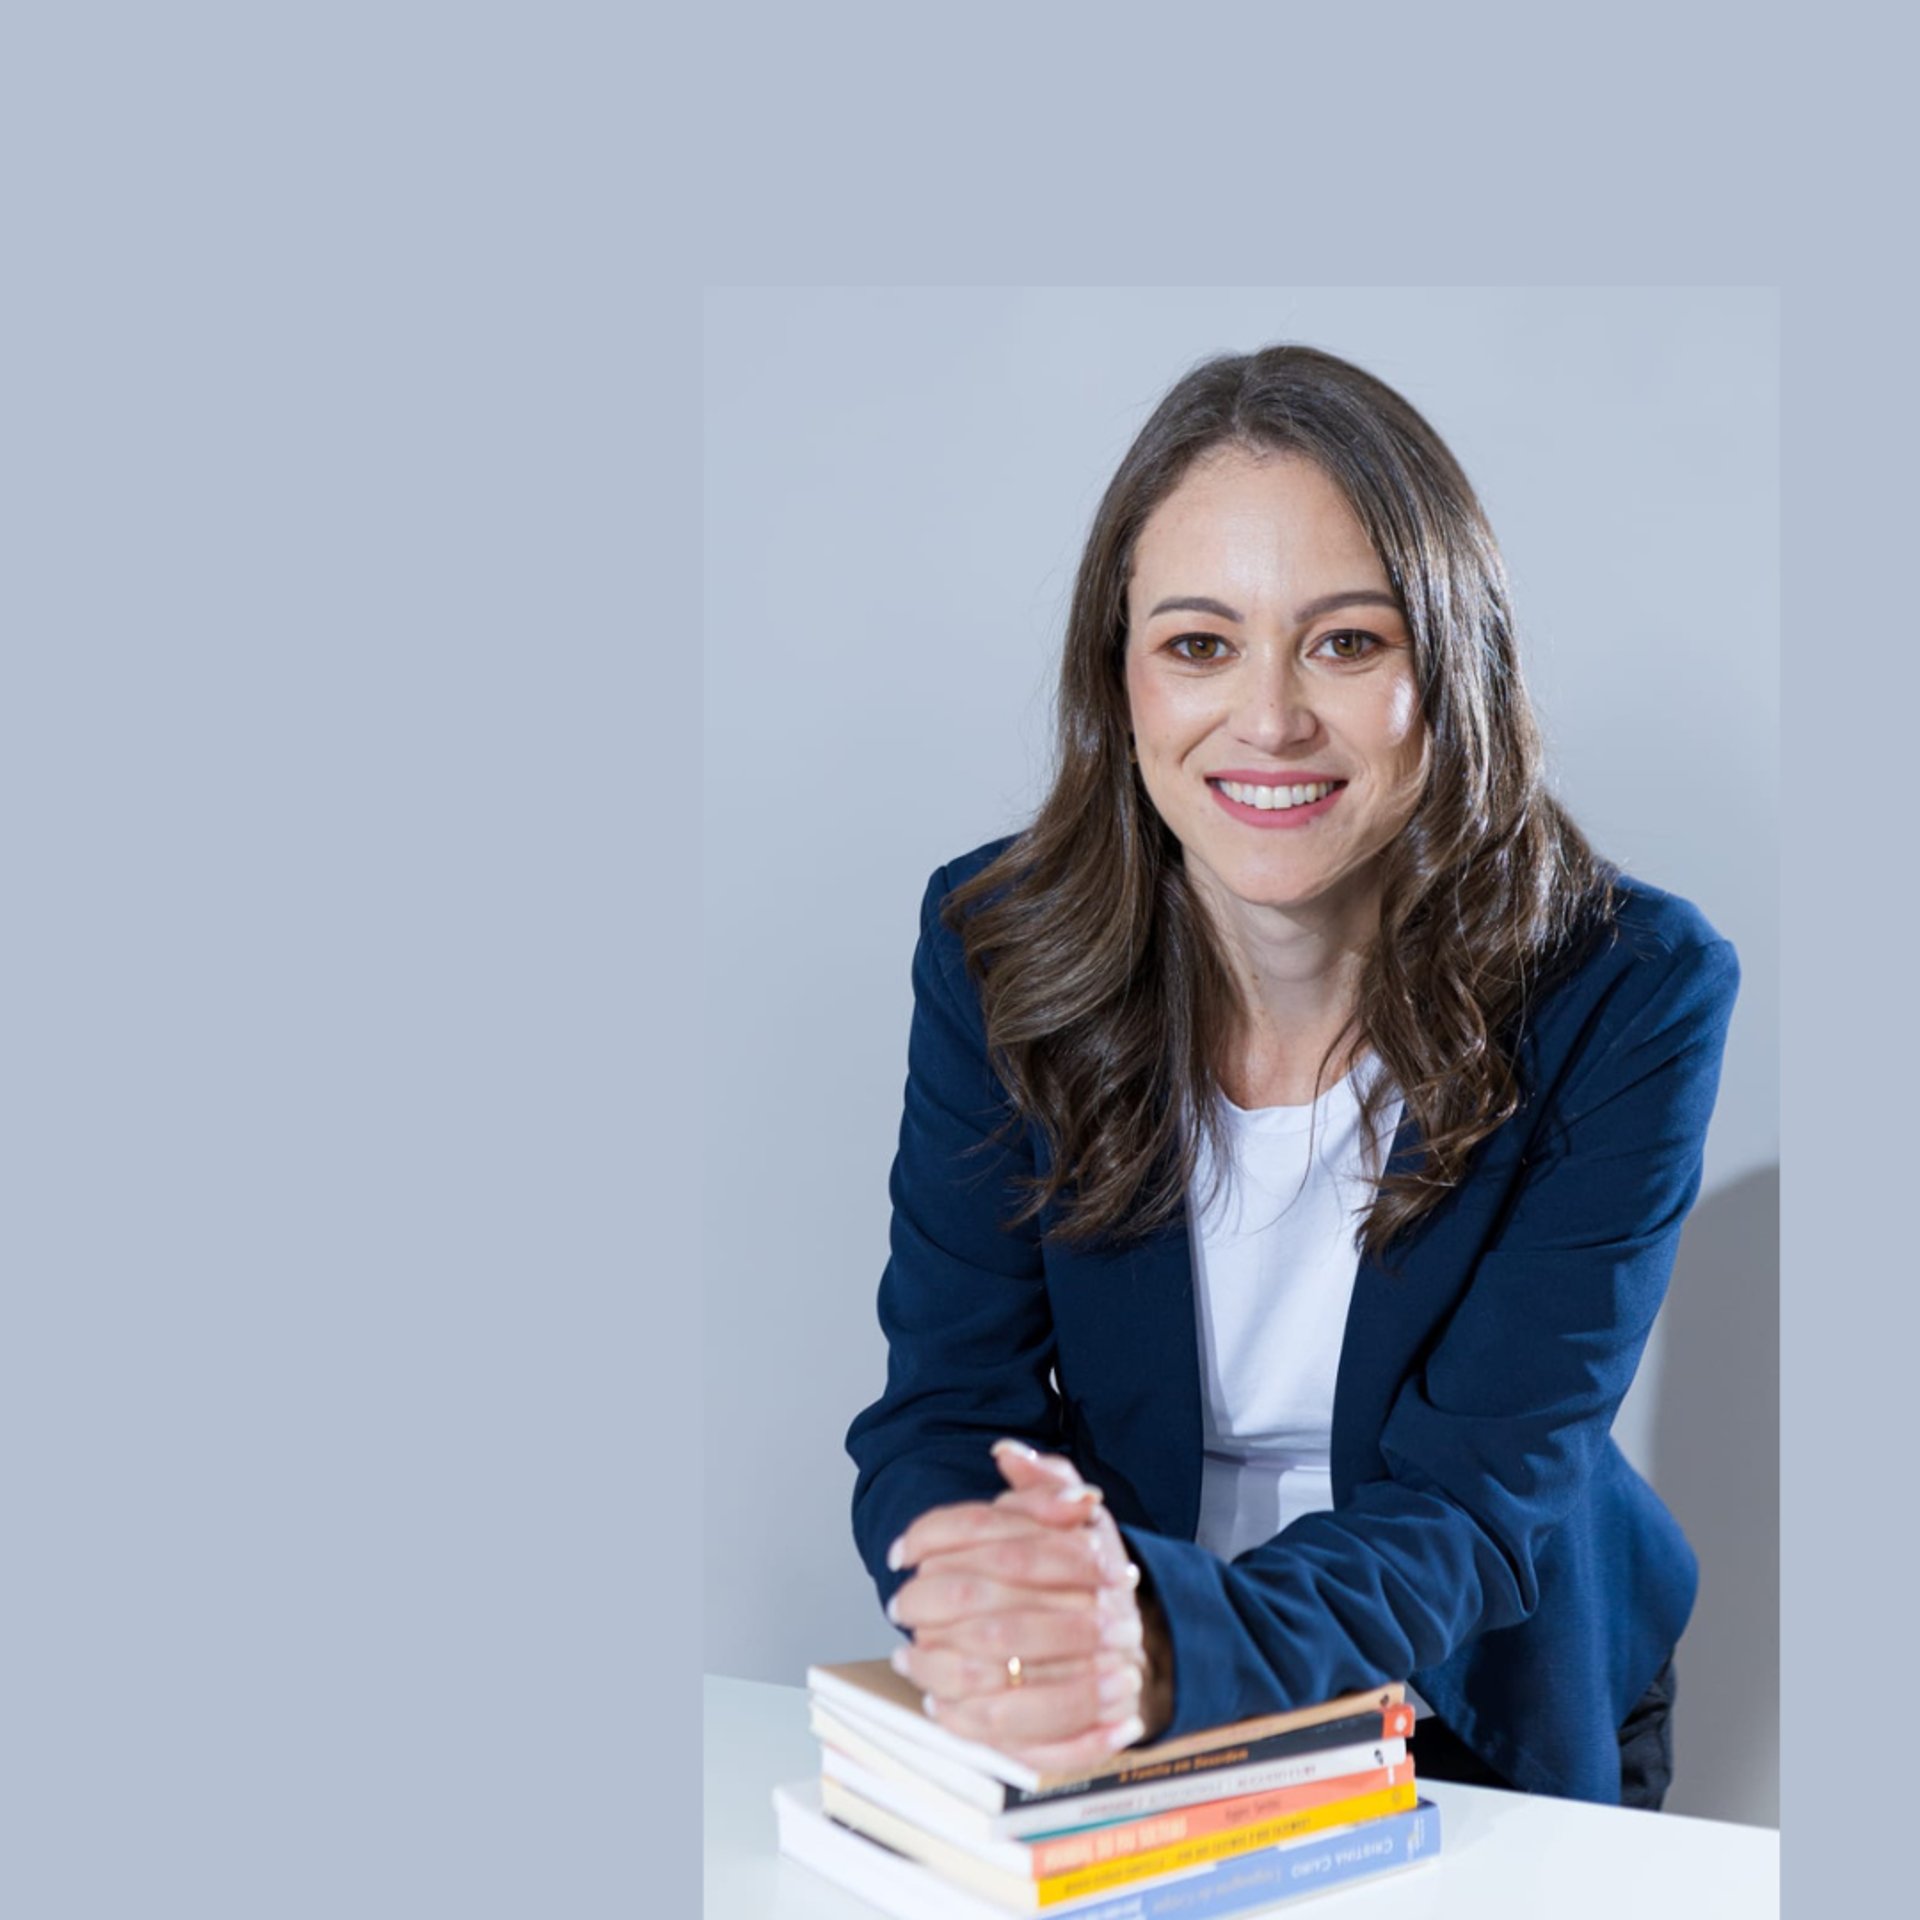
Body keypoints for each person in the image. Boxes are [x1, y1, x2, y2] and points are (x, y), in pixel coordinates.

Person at [845, 344, 1737, 1810]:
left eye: (1347, 642)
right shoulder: (997, 948)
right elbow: (945, 1414)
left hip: (1476, 1686)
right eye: (1200, 643)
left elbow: (1474, 1505)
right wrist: (1008, 1620)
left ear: (1451, 668)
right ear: (1118, 677)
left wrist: (1159, 1649)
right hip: (1122, 1675)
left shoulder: (1629, 991)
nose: (1267, 721)